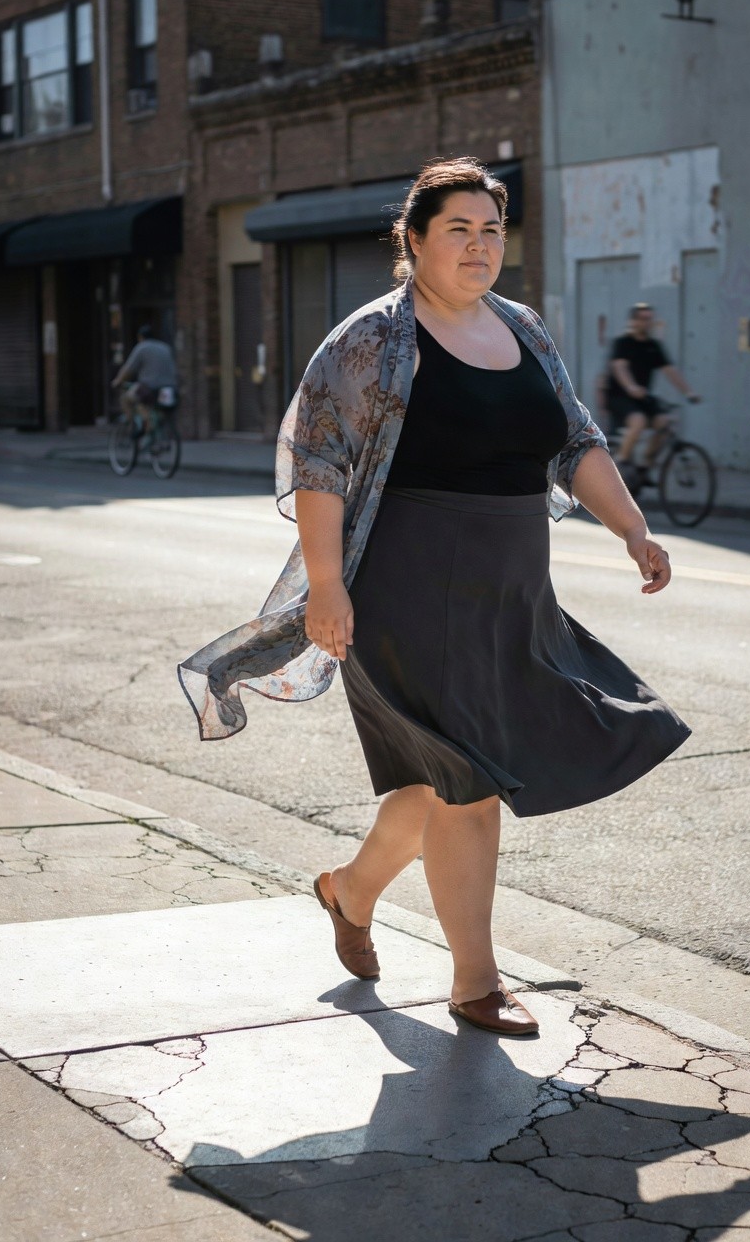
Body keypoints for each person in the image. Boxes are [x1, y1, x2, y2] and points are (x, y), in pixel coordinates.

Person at [178, 157, 691, 1038]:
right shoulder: (373, 340)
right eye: (459, 228)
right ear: (412, 241)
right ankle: (475, 982)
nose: (480, 245)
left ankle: (350, 891)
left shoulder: (523, 327)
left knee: (435, 779)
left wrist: (634, 529)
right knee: (468, 780)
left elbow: (575, 440)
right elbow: (319, 465)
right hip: (409, 590)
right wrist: (328, 587)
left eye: (492, 229)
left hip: (510, 595)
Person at [606, 304, 700, 480]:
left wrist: (689, 392)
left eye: (649, 318)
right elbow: (620, 367)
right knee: (639, 421)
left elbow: (670, 371)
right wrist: (630, 387)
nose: (646, 322)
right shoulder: (623, 343)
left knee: (664, 423)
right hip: (619, 396)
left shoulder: (653, 346)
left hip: (642, 397)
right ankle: (621, 464)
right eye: (641, 318)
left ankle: (644, 466)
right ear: (633, 321)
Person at [112, 324, 178, 420]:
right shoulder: (165, 347)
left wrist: (117, 381)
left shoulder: (142, 347)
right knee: (159, 408)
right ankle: (156, 424)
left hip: (150, 391)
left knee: (127, 399)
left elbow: (128, 369)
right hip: (169, 391)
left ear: (140, 337)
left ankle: (137, 426)